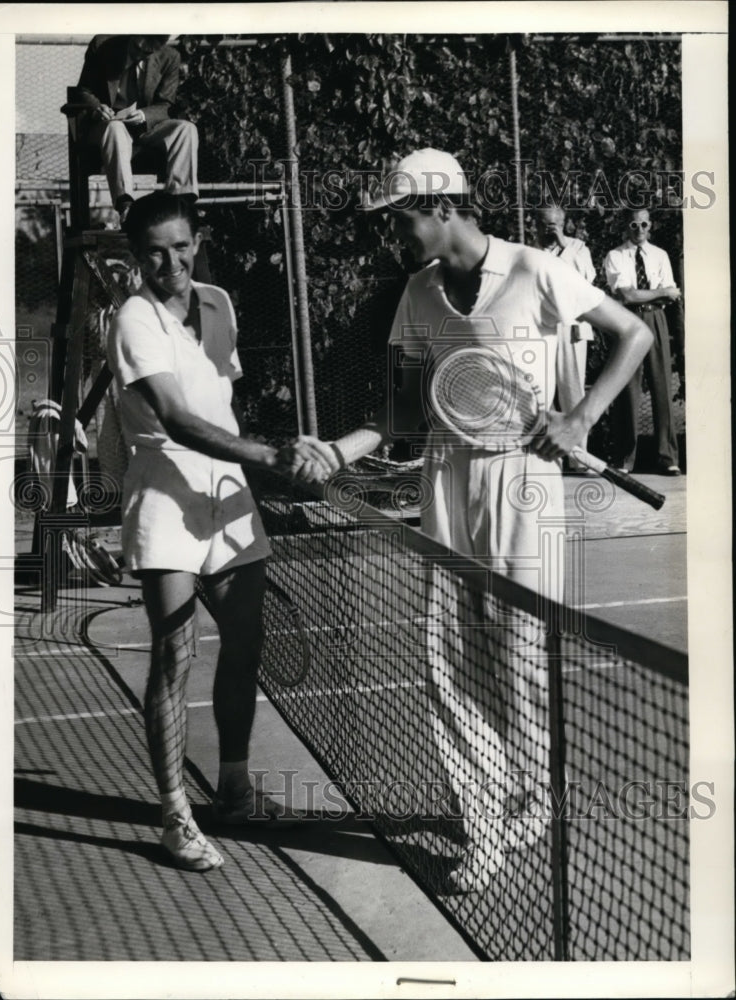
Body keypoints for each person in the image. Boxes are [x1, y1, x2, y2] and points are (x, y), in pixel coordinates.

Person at [327, 149, 653, 891]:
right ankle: (482, 824)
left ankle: (535, 794)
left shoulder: (537, 269)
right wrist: (337, 451)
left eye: (403, 217)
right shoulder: (417, 292)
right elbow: (403, 414)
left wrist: (580, 420)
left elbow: (633, 335)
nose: (396, 233)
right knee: (449, 655)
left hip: (528, 480)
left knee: (522, 657)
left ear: (443, 207)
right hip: (447, 476)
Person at [106, 192, 337, 872]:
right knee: (175, 655)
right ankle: (175, 813)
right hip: (164, 490)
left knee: (244, 646)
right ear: (136, 256)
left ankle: (233, 789)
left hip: (227, 493)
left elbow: (220, 397)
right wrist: (271, 458)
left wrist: (253, 467)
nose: (170, 261)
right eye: (154, 250)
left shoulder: (219, 301)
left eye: (180, 245)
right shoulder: (133, 319)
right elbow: (177, 419)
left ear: (196, 239)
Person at [75, 35, 199, 224]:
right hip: (107, 127)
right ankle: (126, 208)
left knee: (186, 129)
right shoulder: (102, 46)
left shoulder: (170, 57)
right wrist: (96, 108)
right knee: (115, 128)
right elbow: (83, 90)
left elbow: (166, 105)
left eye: (146, 53)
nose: (138, 55)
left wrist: (144, 115)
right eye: (136, 48)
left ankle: (180, 205)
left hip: (145, 128)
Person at [603, 208, 682, 475]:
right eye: (634, 225)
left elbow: (671, 298)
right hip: (627, 321)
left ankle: (667, 458)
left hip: (656, 320)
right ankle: (625, 459)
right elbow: (626, 296)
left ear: (651, 226)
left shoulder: (661, 255)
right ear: (626, 227)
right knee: (628, 390)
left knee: (662, 385)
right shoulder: (615, 256)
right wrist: (660, 292)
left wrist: (649, 295)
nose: (639, 230)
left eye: (644, 224)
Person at [535, 206, 596, 469]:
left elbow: (586, 278)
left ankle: (580, 459)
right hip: (542, 327)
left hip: (571, 326)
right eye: (545, 224)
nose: (550, 228)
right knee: (542, 391)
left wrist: (562, 243)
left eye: (556, 224)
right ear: (536, 225)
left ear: (564, 223)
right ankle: (546, 460)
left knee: (573, 391)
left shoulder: (578, 248)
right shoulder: (531, 251)